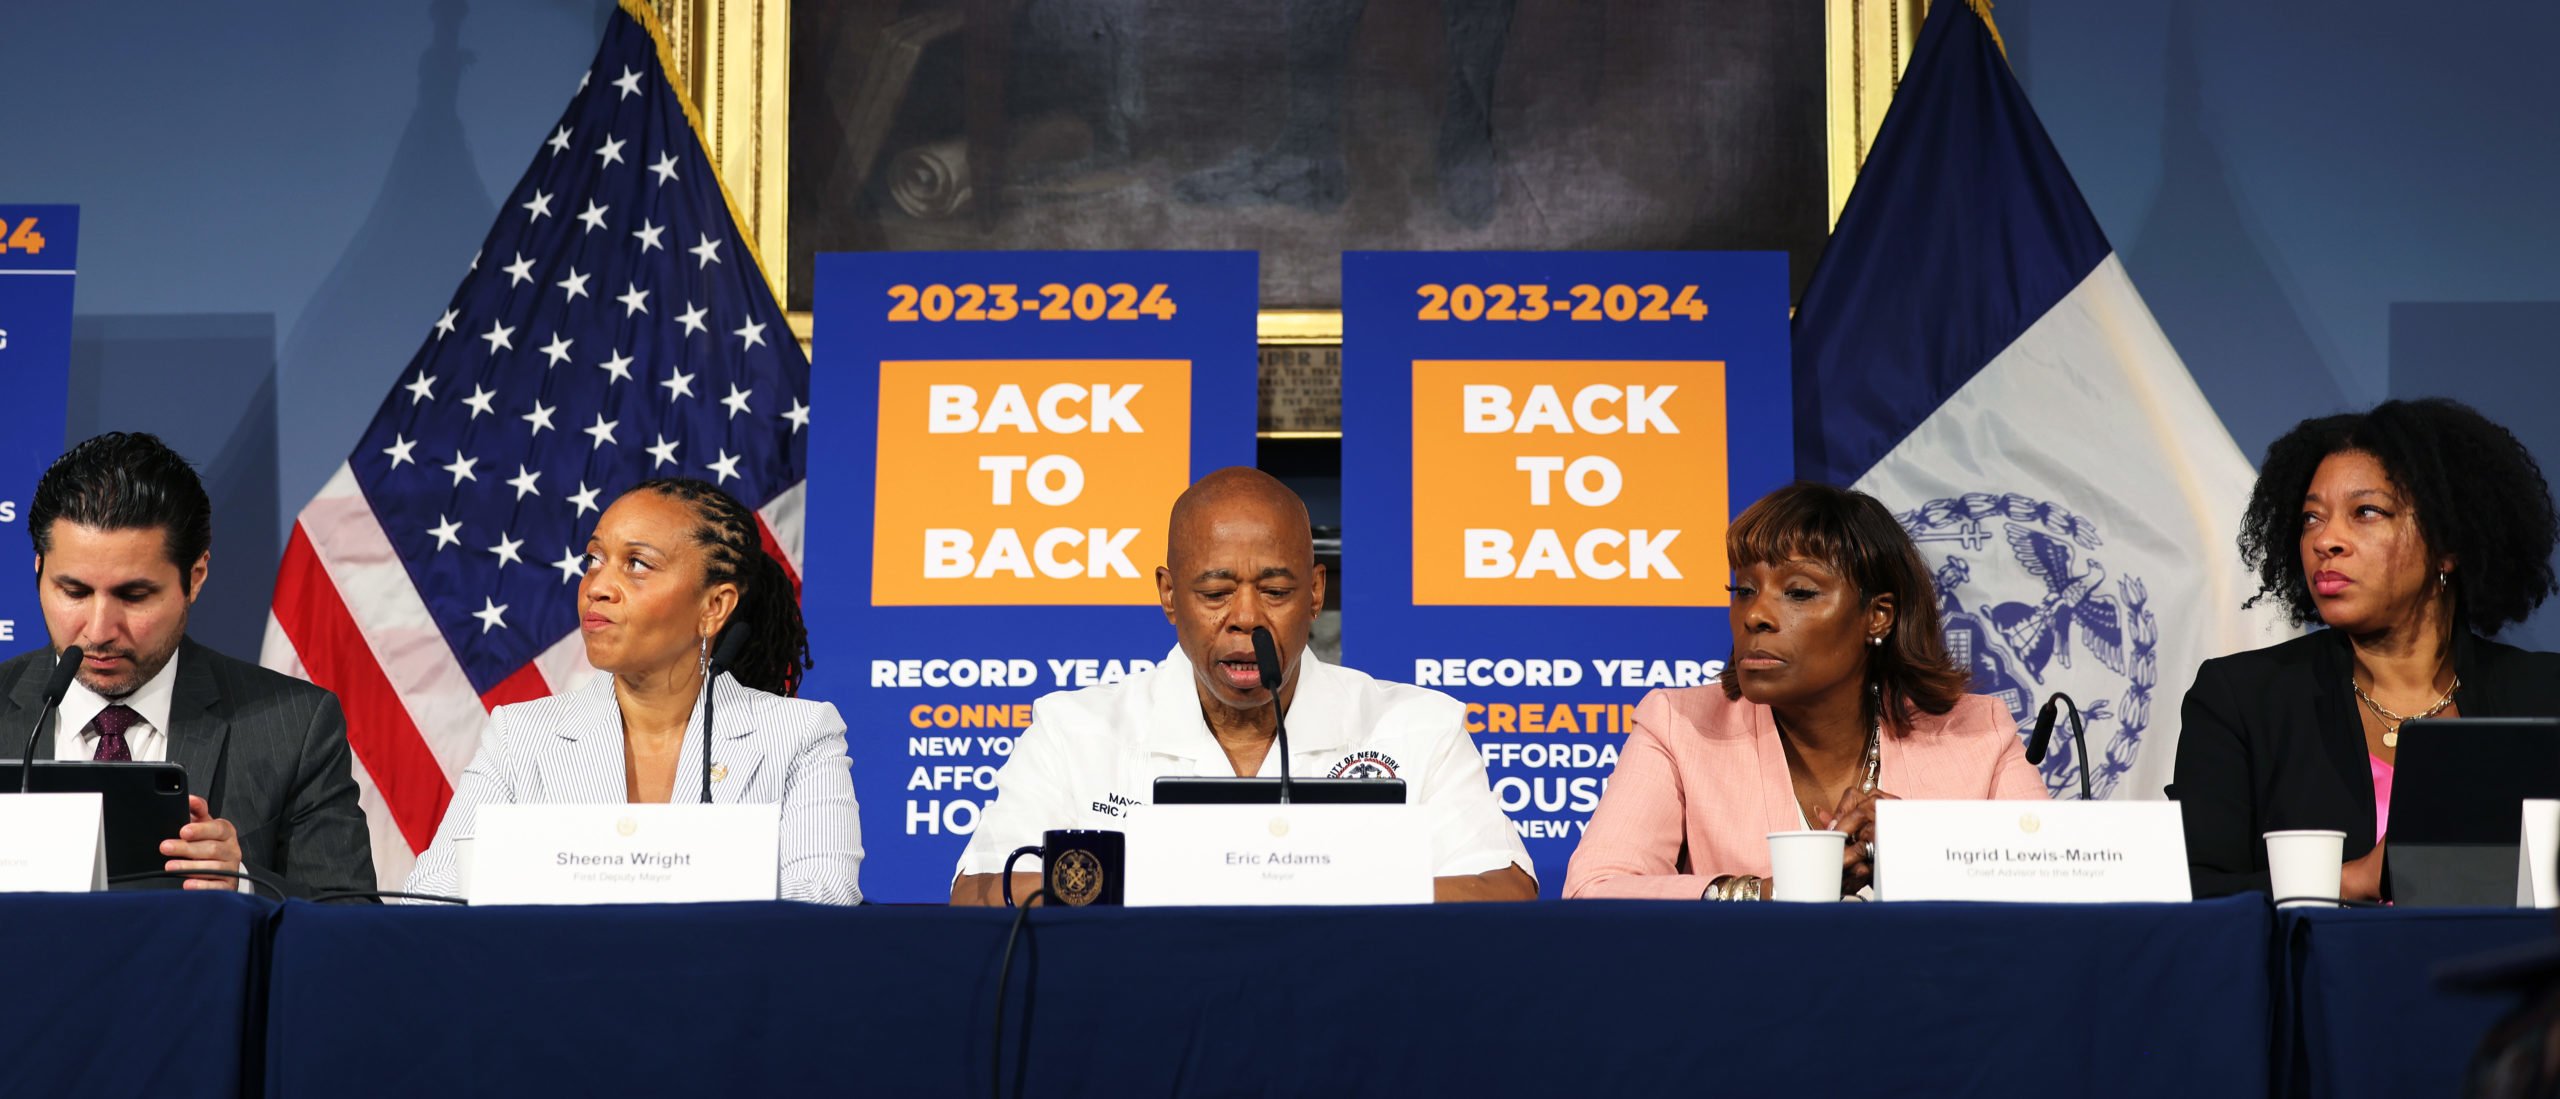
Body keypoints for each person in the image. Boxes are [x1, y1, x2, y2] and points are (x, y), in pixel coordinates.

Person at [952, 467, 1535, 905]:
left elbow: (1504, 888)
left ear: (1315, 593)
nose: (1247, 617)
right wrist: (1232, 874)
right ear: (1168, 594)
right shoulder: (1075, 730)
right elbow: (982, 889)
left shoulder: (1415, 726)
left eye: (1277, 592)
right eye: (1215, 592)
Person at [1564, 482, 2047, 901]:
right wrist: (1765, 892)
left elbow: (2057, 888)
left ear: (1877, 615)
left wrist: (1921, 849)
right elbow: (1596, 888)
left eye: (1798, 592)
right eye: (1744, 589)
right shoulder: (1678, 724)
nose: (1756, 615)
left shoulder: (1978, 733)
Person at [403, 479, 862, 904]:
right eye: (594, 559)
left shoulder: (799, 733)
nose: (597, 587)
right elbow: (432, 897)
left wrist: (618, 872)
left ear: (714, 606)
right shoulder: (522, 734)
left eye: (638, 564)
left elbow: (826, 897)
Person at [2174, 398, 2560, 899]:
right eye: (2311, 519)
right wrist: (2351, 879)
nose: (2326, 540)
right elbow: (2189, 891)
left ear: (2447, 545)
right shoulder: (2242, 700)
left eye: (2366, 512)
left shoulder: (2544, 696)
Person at [0, 432, 373, 896]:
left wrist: (246, 888)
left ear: (194, 578)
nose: (99, 630)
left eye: (134, 595)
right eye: (74, 592)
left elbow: (352, 926)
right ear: (38, 571)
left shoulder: (294, 728)